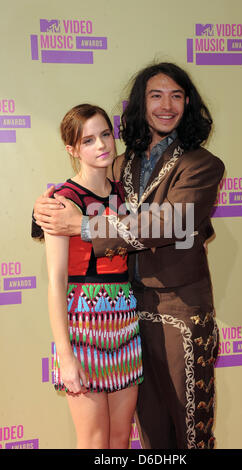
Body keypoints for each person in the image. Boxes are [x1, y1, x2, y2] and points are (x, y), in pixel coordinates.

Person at [32, 62, 225, 449]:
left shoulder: (203, 165)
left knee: (191, 434)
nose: (166, 105)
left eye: (176, 96)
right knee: (149, 434)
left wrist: (83, 227)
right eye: (156, 95)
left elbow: (169, 223)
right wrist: (45, 209)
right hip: (129, 319)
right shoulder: (124, 166)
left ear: (188, 104)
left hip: (181, 317)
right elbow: (88, 194)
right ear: (140, 105)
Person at [39, 103, 143, 449]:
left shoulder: (125, 195)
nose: (101, 145)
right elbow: (56, 282)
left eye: (105, 135)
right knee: (94, 441)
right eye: (87, 141)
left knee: (120, 438)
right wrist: (65, 357)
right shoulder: (61, 201)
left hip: (125, 325)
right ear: (72, 149)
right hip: (84, 326)